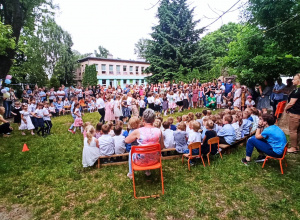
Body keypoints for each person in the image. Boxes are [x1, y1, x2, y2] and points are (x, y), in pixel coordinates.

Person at [125, 109, 164, 179]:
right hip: (155, 160)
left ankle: (131, 173)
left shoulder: (138, 131)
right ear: (154, 119)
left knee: (131, 151)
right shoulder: (159, 131)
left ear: (143, 119)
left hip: (140, 161)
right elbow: (161, 147)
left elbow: (127, 140)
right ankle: (147, 171)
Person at [285, 73, 300, 153]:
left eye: (294, 79)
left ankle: (293, 147)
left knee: (293, 130)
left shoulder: (297, 91)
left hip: (295, 114)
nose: (293, 80)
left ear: (298, 81)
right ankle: (297, 146)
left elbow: (291, 103)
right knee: (298, 131)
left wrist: (286, 108)